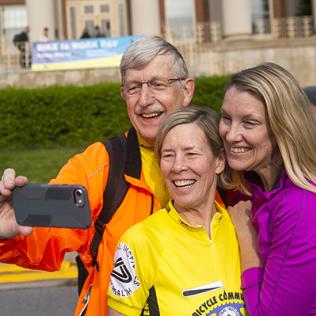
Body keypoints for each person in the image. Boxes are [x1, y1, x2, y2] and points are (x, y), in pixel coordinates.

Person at [0, 36, 204, 316]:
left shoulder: (218, 160)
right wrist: (6, 231)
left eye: (158, 84)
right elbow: (45, 236)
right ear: (123, 96)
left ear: (187, 89)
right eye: (134, 87)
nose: (145, 100)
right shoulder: (100, 165)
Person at [108, 106, 247, 316]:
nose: (177, 166)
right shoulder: (140, 241)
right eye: (168, 155)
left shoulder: (242, 228)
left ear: (219, 161)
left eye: (191, 154)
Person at [219, 62, 316, 315]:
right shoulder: (249, 187)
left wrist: (244, 236)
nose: (231, 134)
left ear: (283, 128)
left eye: (249, 123)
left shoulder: (301, 205)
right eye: (226, 118)